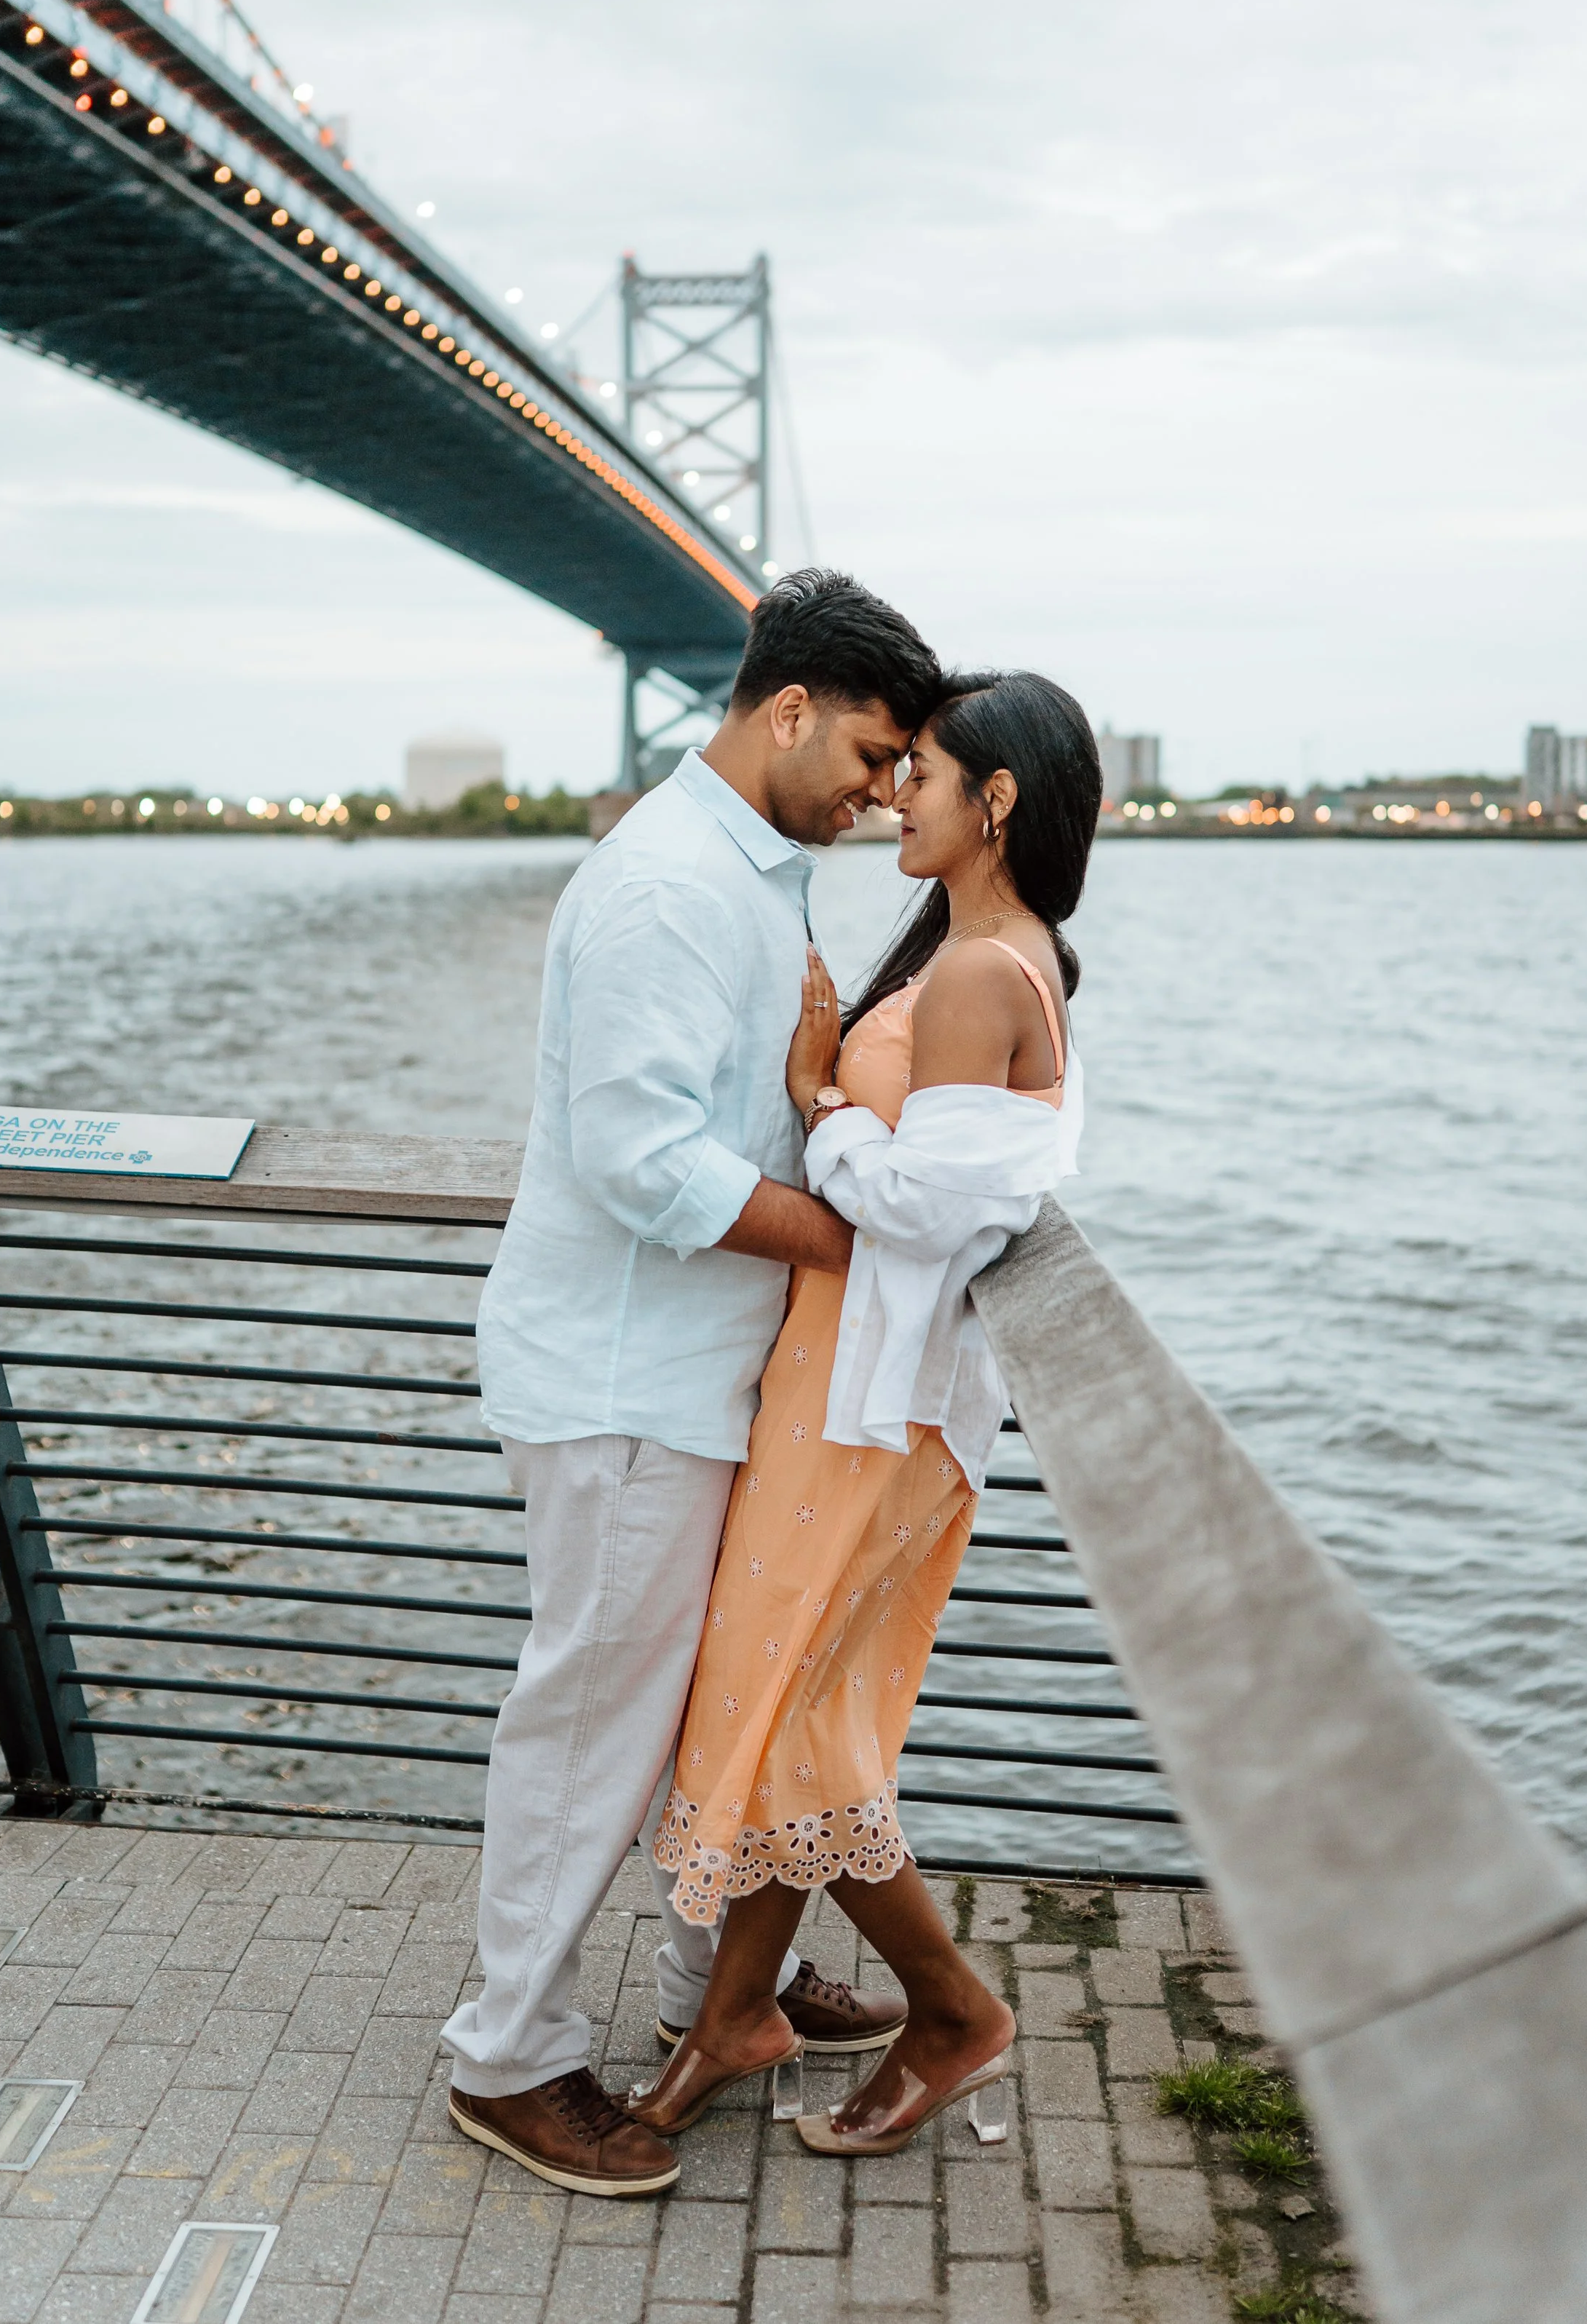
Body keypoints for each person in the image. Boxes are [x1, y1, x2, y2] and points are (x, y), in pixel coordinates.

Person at [440, 571, 943, 2197]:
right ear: (784, 710)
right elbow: (642, 1160)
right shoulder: (667, 885)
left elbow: (743, 1112)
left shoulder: (750, 872)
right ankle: (506, 2060)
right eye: (871, 756)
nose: (881, 796)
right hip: (621, 1380)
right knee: (592, 1723)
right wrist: (856, 1251)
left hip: (694, 1378)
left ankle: (713, 1989)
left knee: (705, 1712)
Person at [628, 670, 1101, 2155]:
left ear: (996, 802)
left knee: (792, 1719)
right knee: (795, 1706)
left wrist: (814, 1101)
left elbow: (924, 1204)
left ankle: (949, 2008)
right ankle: (732, 2014)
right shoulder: (992, 952)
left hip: (871, 1410)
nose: (898, 793)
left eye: (927, 774)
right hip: (851, 1392)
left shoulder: (978, 974)